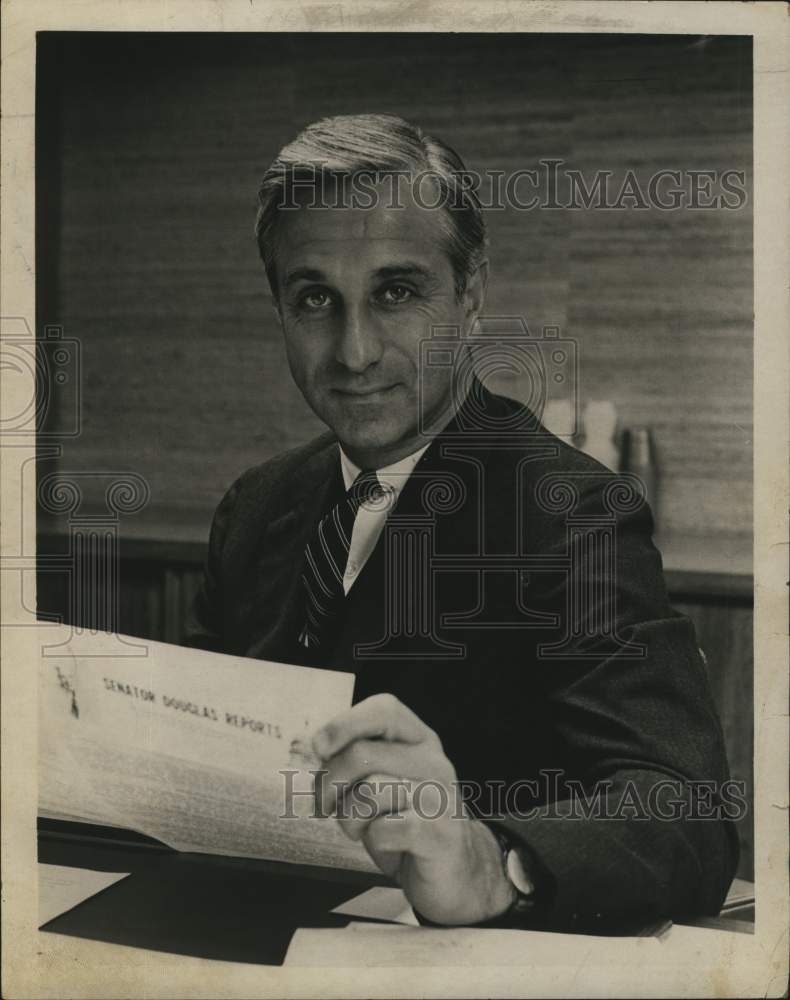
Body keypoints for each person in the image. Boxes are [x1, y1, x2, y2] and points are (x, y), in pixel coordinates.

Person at [184, 113, 738, 932]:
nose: (355, 351)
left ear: (471, 297)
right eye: (315, 299)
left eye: (396, 292)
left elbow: (687, 810)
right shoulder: (257, 504)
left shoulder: (571, 513)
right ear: (279, 311)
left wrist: (492, 862)